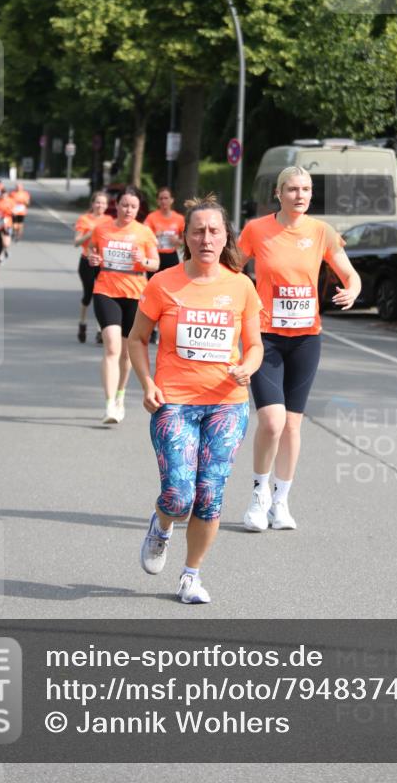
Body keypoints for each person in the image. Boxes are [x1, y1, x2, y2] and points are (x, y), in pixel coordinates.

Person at [128, 195, 263, 604]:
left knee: (210, 493)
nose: (206, 238)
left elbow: (255, 345)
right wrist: (146, 383)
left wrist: (248, 367)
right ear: (185, 237)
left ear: (226, 237)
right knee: (178, 496)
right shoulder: (163, 283)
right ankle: (162, 526)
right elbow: (137, 339)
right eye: (198, 231)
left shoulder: (241, 286)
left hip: (227, 403)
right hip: (175, 402)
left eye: (214, 231)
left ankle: (191, 576)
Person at [237, 165, 361, 532]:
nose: (300, 195)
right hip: (265, 337)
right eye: (292, 189)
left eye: (305, 189)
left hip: (306, 338)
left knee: (292, 425)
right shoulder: (256, 230)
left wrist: (352, 290)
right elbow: (231, 270)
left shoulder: (321, 232)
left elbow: (349, 274)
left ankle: (281, 501)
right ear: (278, 194)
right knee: (271, 421)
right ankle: (258, 495)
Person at [87, 185, 159, 423]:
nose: (128, 210)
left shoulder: (144, 232)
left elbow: (155, 264)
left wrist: (143, 260)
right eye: (125, 205)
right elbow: (92, 252)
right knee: (112, 347)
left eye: (133, 206)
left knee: (127, 354)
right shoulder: (102, 229)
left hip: (135, 295)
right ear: (116, 206)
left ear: (138, 209)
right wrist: (93, 258)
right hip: (105, 291)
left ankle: (120, 394)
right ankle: (109, 405)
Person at [144, 187, 185, 343]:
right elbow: (144, 235)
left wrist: (178, 241)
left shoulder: (179, 219)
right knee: (153, 292)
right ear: (157, 201)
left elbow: (187, 239)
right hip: (155, 257)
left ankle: (167, 327)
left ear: (172, 200)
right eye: (161, 198)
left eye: (166, 198)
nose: (163, 201)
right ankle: (153, 329)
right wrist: (155, 236)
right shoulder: (152, 217)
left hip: (171, 256)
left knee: (170, 293)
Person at [72, 190, 112, 343]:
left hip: (103, 263)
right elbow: (76, 242)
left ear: (107, 206)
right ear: (93, 204)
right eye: (97, 202)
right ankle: (82, 323)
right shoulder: (84, 219)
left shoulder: (110, 220)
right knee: (88, 294)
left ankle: (100, 330)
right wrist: (91, 234)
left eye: (103, 203)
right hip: (87, 261)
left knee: (101, 295)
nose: (100, 205)